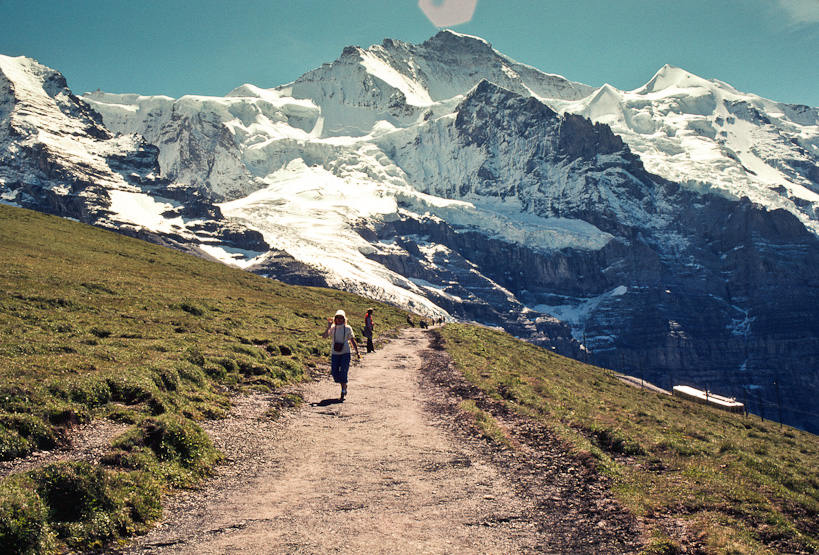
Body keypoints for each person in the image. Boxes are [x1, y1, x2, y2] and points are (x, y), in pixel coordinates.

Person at [322, 309, 360, 401]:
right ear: (335, 318)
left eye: (341, 318)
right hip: (335, 353)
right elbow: (324, 336)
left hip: (345, 353)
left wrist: (357, 351)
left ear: (344, 319)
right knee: (335, 373)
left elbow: (352, 340)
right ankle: (344, 385)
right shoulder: (333, 328)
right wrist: (328, 327)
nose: (339, 319)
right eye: (337, 317)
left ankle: (343, 390)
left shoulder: (348, 328)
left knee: (343, 371)